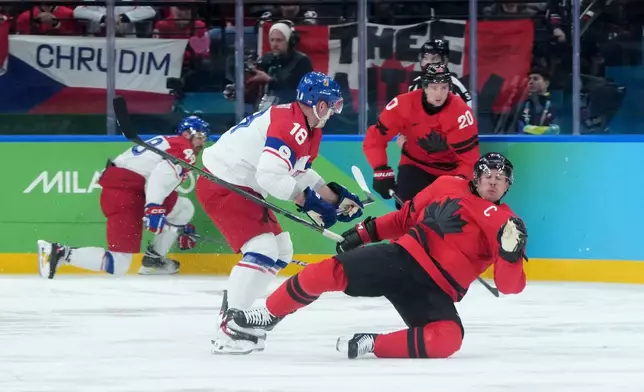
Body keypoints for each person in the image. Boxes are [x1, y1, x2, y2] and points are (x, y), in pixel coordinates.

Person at [221, 152, 529, 360]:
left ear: (508, 187)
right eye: (488, 175)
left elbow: (509, 286)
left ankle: (372, 344)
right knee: (323, 273)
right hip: (400, 258)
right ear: (476, 176)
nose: (493, 181)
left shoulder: (508, 224)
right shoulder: (447, 185)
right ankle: (267, 315)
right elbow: (404, 219)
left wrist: (510, 255)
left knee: (449, 339)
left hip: (434, 290)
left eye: (500, 179)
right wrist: (363, 234)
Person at [197, 71, 365, 354]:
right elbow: (270, 176)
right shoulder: (291, 125)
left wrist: (335, 199)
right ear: (320, 105)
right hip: (224, 183)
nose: (335, 110)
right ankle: (231, 325)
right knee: (262, 247)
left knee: (281, 250)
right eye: (333, 104)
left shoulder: (306, 125)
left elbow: (298, 171)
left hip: (242, 185)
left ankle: (238, 315)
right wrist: (309, 203)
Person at [37, 116, 210, 278]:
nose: (203, 142)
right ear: (187, 134)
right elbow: (161, 175)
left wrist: (176, 226)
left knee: (183, 208)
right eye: (200, 136)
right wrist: (154, 207)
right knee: (119, 264)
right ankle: (60, 252)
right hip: (125, 195)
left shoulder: (169, 142)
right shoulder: (184, 148)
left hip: (131, 189)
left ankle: (154, 260)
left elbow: (155, 179)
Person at [364, 64, 480, 208]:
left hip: (450, 173)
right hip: (414, 166)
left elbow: (469, 160)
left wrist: (458, 184)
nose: (439, 94)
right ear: (424, 87)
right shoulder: (403, 105)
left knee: (446, 219)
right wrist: (380, 168)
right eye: (434, 87)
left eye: (444, 87)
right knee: (406, 214)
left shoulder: (461, 113)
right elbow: (375, 138)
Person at [408, 39, 472, 107]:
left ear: (444, 61)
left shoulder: (455, 86)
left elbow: (468, 112)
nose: (428, 63)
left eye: (434, 59)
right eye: (425, 58)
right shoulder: (415, 84)